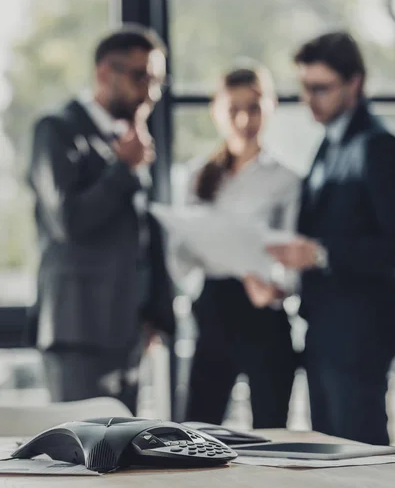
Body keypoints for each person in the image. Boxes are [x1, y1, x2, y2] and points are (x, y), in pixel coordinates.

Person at [248, 32, 395, 444]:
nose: (309, 99)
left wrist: (319, 253)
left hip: (359, 332)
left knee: (359, 452)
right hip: (323, 327)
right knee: (330, 452)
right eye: (304, 87)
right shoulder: (327, 145)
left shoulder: (378, 147)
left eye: (321, 88)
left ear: (356, 83)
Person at [28, 25, 175, 410]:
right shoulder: (56, 131)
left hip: (129, 334)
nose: (151, 92)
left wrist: (153, 313)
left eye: (157, 80)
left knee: (123, 460)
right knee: (82, 456)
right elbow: (68, 221)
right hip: (78, 332)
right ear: (104, 72)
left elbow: (142, 235)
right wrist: (123, 169)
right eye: (140, 76)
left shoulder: (132, 143)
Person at [170, 66, 300, 428]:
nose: (244, 119)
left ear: (270, 107)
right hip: (212, 307)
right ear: (216, 111)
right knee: (197, 427)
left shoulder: (287, 178)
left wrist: (277, 289)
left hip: (264, 308)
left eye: (255, 107)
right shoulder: (197, 176)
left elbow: (294, 254)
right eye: (233, 109)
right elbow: (180, 258)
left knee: (271, 430)